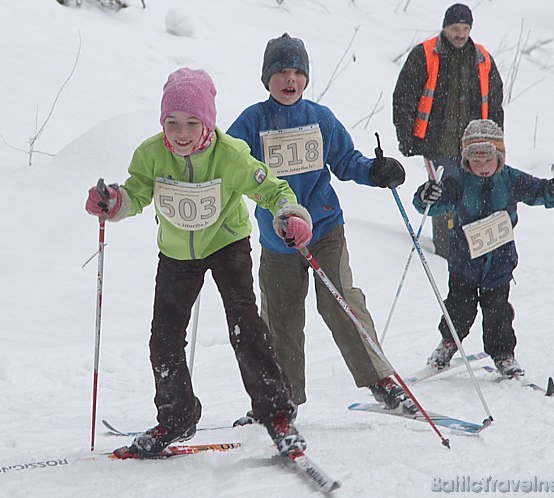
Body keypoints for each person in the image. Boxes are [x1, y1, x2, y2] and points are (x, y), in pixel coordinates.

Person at [85, 68, 315, 458]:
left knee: (245, 326)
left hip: (227, 244)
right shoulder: (151, 154)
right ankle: (177, 415)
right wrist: (113, 202)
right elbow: (136, 193)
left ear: (207, 122)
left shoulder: (230, 155)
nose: (182, 132)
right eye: (172, 122)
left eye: (193, 122)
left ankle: (275, 412)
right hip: (176, 253)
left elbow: (272, 189)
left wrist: (289, 213)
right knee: (164, 337)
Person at [227, 33, 416, 416]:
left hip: (325, 228)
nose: (289, 79)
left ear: (307, 78)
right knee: (280, 318)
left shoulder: (319, 118)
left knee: (341, 301)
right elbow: (227, 165)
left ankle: (381, 379)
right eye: (281, 71)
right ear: (267, 78)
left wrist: (376, 171)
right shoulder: (252, 121)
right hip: (278, 239)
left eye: (297, 71)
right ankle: (282, 399)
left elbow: (347, 161)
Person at [412, 119, 554, 378]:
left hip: (499, 264)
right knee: (458, 309)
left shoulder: (511, 179)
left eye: (488, 160)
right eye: (476, 161)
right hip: (464, 264)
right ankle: (448, 343)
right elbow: (431, 205)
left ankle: (503, 355)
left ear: (500, 157)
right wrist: (425, 196)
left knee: (498, 313)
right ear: (466, 161)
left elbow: (539, 191)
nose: (483, 167)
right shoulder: (458, 182)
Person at [393, 3, 504, 259]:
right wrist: (407, 136)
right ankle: (446, 253)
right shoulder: (425, 54)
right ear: (445, 27)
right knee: (445, 196)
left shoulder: (482, 58)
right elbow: (404, 97)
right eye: (456, 28)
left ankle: (477, 250)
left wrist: (496, 142)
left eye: (466, 28)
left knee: (478, 196)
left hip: (476, 146)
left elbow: (495, 103)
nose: (461, 34)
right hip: (437, 144)